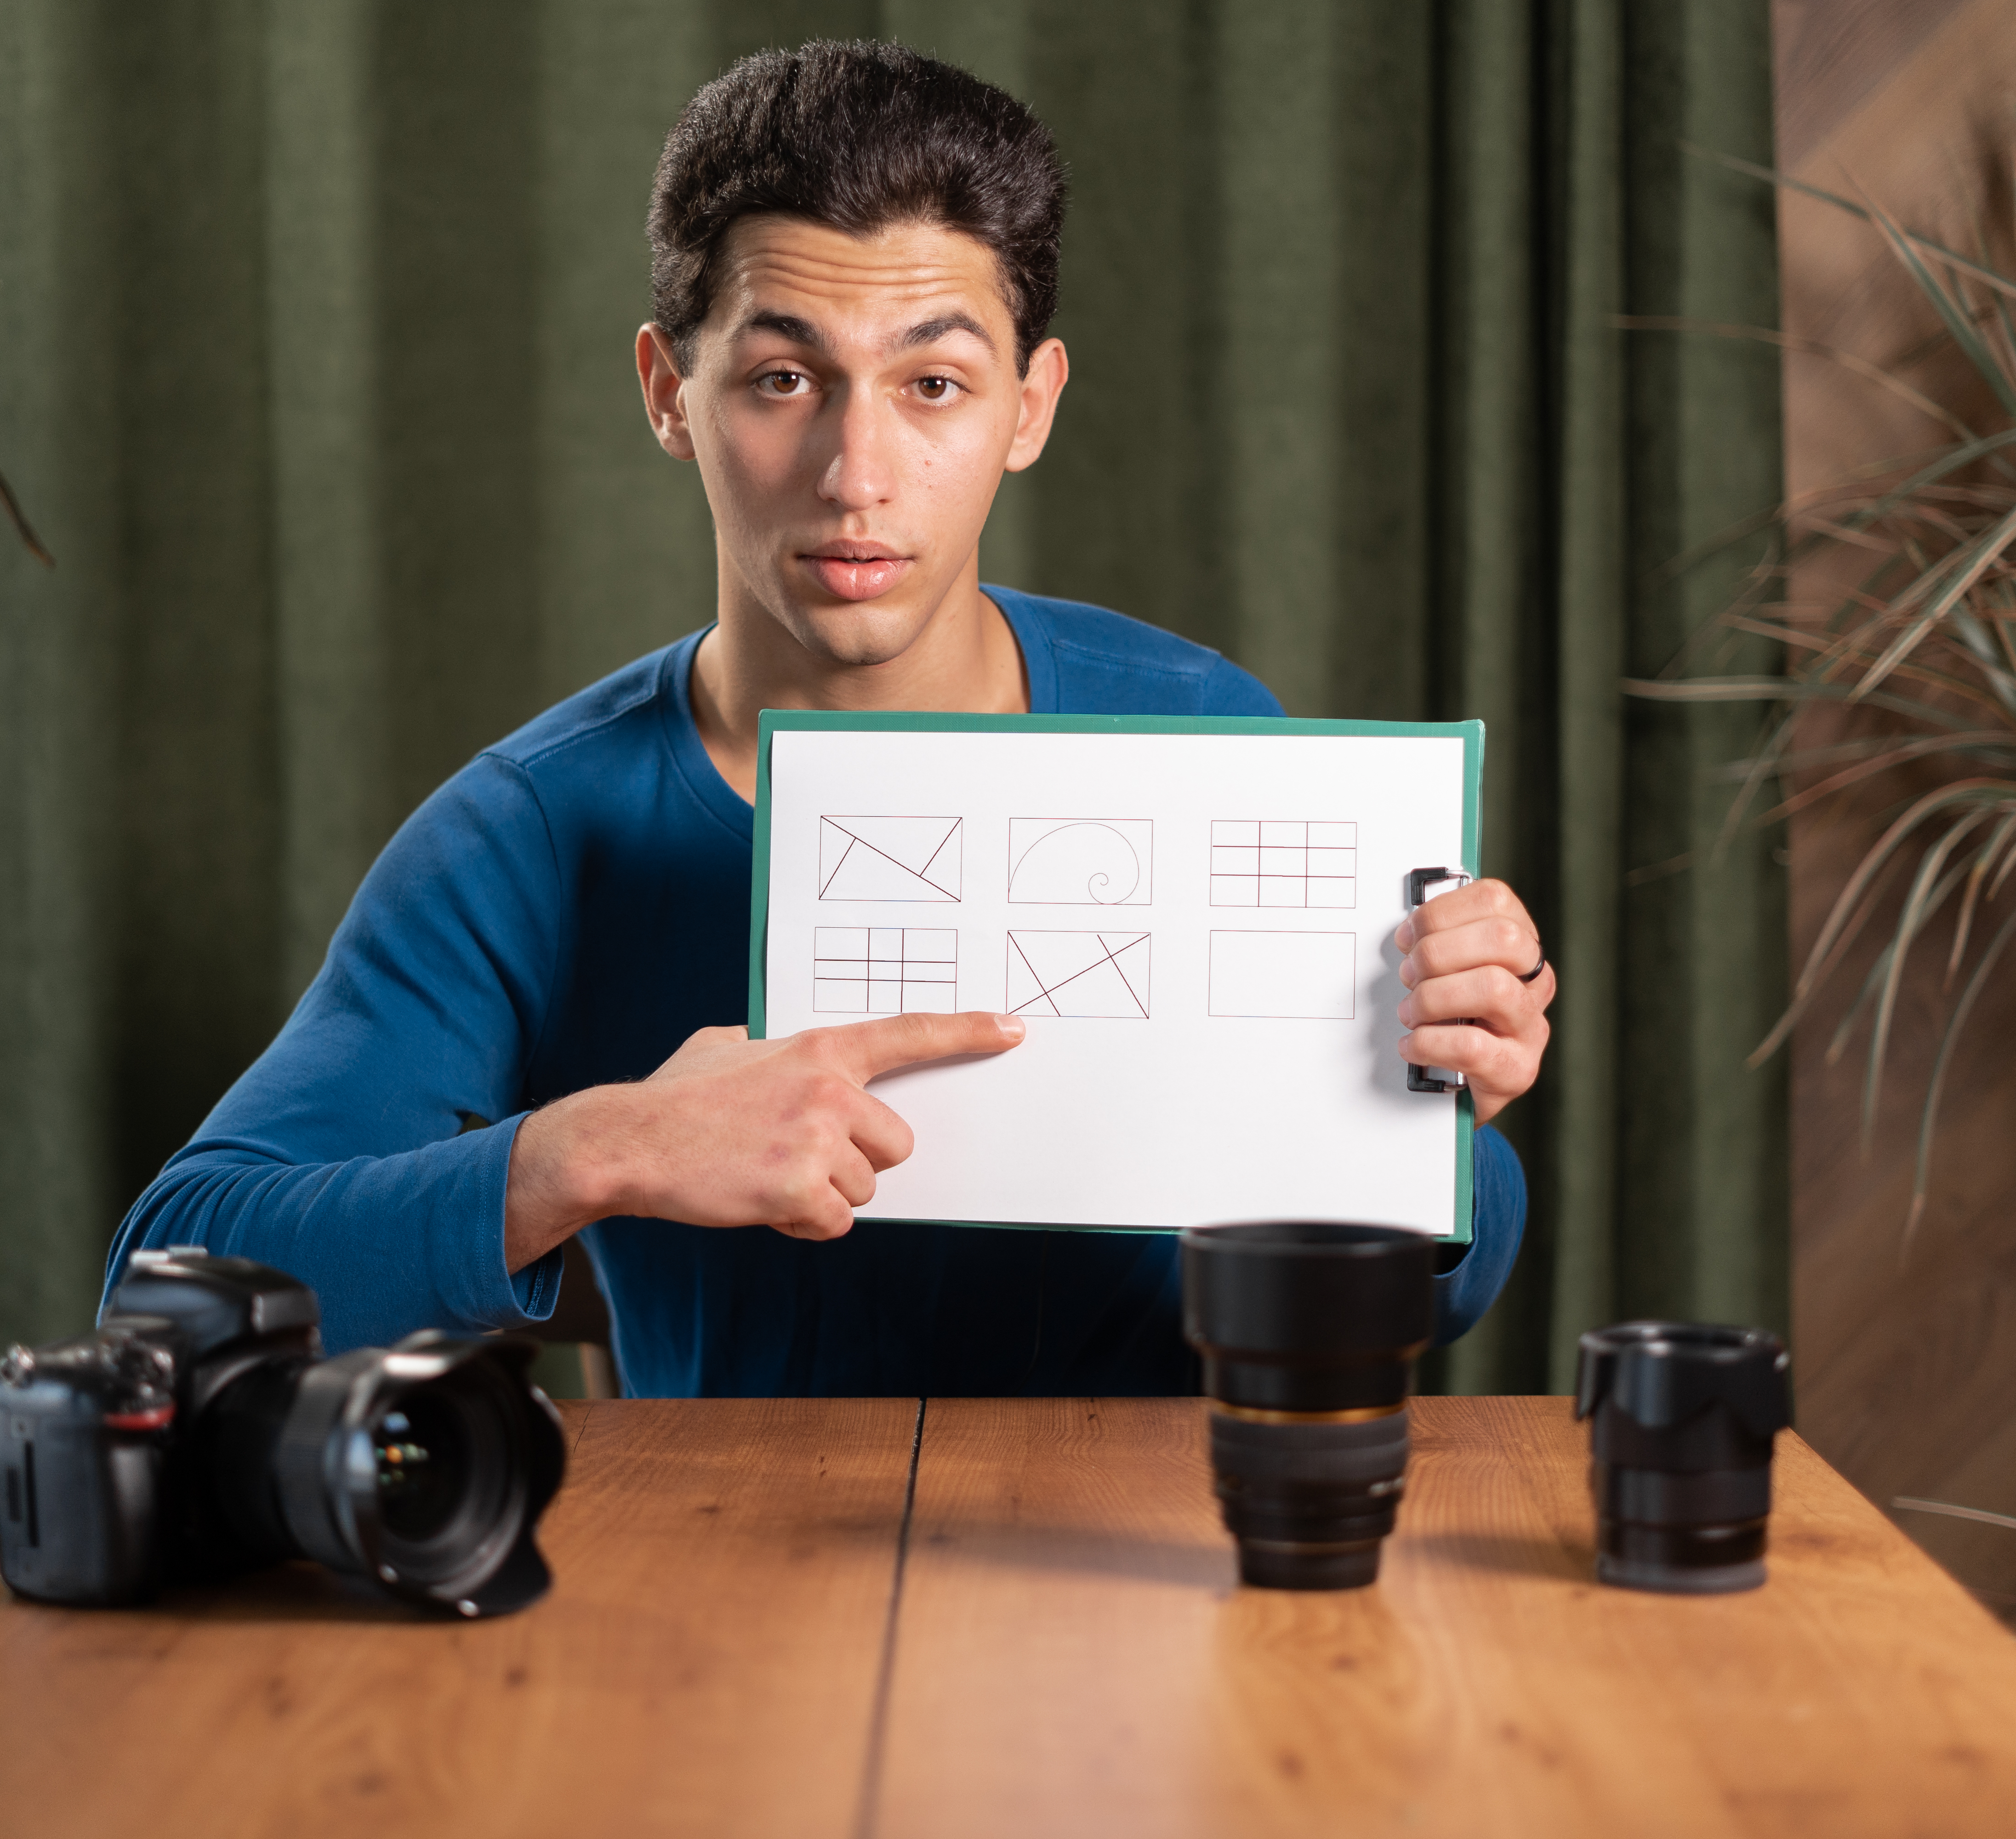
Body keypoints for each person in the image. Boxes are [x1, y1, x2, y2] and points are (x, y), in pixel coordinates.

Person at [106, 42, 1556, 1395]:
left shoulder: (1204, 734)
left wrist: (1445, 1124)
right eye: (784, 379)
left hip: (1158, 1593)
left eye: (934, 385)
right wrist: (594, 1148)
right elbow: (169, 1282)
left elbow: (1422, 1301)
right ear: (672, 394)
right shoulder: (537, 828)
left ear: (1030, 407)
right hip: (720, 1600)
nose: (859, 472)